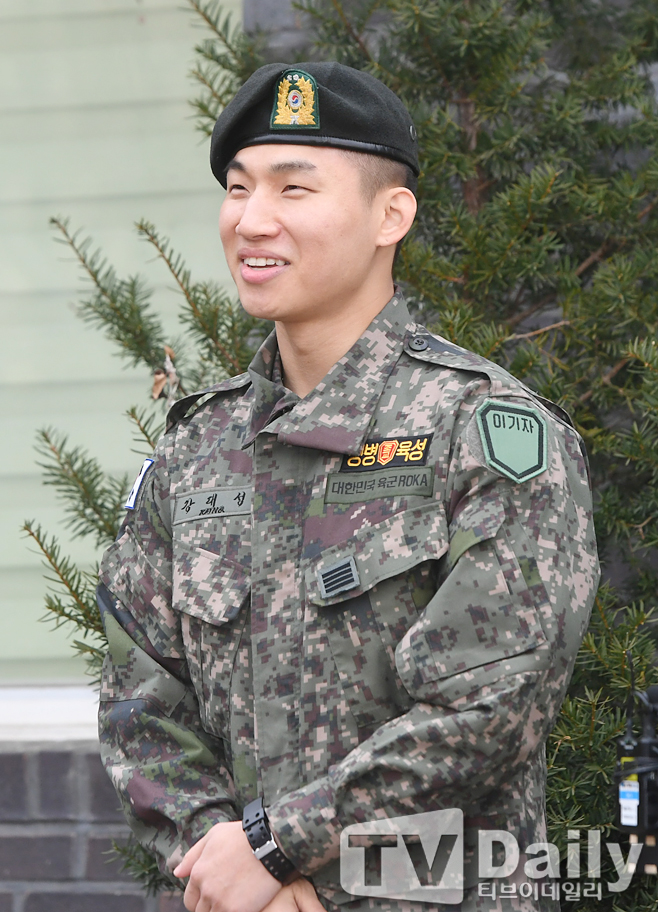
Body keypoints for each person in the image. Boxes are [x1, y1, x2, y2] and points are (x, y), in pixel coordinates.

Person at [97, 61, 600, 912]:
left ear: (390, 216)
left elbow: (491, 705)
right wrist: (224, 860)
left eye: (294, 189)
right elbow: (137, 699)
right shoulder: (198, 448)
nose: (252, 219)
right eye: (238, 187)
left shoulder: (483, 430)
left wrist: (278, 847)